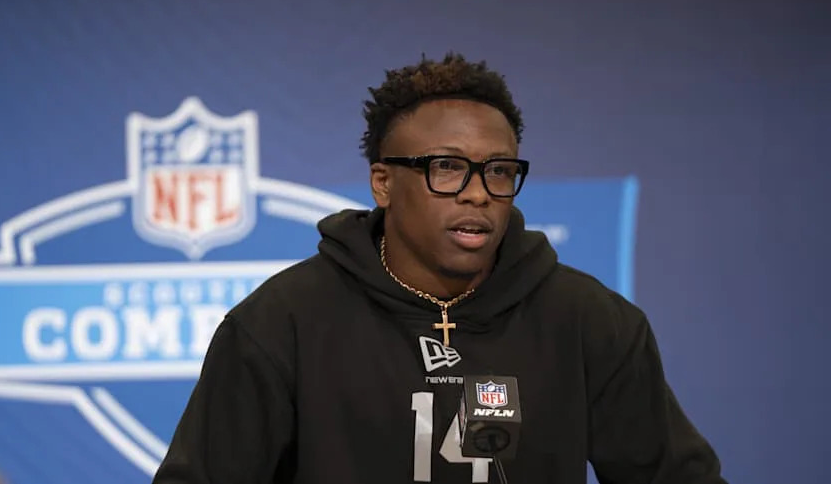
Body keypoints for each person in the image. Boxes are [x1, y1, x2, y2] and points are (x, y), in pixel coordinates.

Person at [153, 53, 727, 483]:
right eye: (447, 168)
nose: (478, 194)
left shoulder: (590, 320)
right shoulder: (282, 323)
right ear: (383, 183)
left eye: (498, 171)